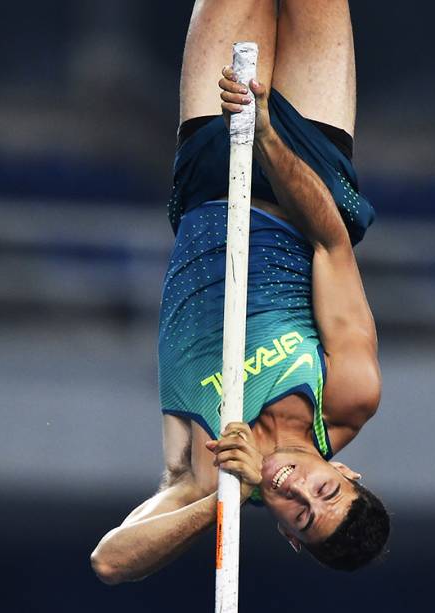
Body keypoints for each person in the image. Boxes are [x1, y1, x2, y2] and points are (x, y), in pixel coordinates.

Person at [91, 0, 389, 584]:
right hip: (307, 162)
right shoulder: (347, 396)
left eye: (301, 517)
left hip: (207, 180)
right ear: (348, 472)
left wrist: (229, 496)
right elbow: (330, 240)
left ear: (288, 536)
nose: (296, 489)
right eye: (324, 489)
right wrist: (263, 133)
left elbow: (110, 561)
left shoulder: (205, 468)